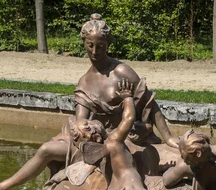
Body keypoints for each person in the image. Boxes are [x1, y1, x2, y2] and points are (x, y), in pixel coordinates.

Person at [75, 13, 179, 150]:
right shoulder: (84, 83)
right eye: (90, 45)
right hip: (100, 138)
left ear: (108, 45)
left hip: (129, 136)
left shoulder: (121, 72)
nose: (95, 51)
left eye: (100, 46)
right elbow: (80, 122)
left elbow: (149, 103)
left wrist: (168, 137)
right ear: (84, 43)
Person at [83, 79, 163, 190]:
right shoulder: (113, 140)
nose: (92, 122)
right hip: (130, 185)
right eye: (90, 125)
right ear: (98, 133)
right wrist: (127, 98)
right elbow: (129, 118)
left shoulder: (98, 152)